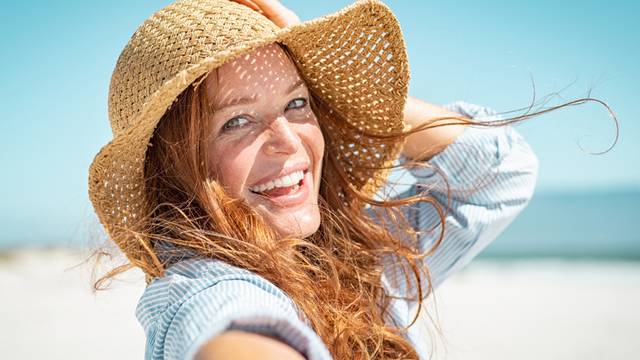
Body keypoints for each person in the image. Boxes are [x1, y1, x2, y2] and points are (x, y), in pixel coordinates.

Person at [86, 0, 612, 359]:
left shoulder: (357, 263)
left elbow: (500, 170)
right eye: (236, 121)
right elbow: (232, 329)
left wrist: (336, 93)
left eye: (298, 103)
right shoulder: (202, 287)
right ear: (179, 166)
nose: (289, 141)